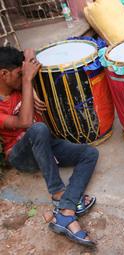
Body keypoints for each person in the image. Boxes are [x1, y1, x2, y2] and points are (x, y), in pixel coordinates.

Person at [0, 46, 98, 247]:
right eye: (19, 75)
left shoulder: (18, 84)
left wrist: (29, 86)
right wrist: (28, 82)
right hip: (20, 155)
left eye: (23, 73)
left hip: (44, 146)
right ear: (3, 74)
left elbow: (29, 51)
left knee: (90, 152)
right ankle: (57, 192)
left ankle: (66, 210)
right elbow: (26, 122)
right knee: (38, 128)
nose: (23, 77)